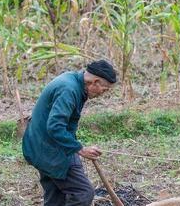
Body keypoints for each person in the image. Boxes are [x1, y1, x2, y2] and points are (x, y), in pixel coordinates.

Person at [22, 60, 117, 206]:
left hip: (40, 145)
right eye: (104, 89)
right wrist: (80, 149)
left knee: (55, 198)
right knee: (83, 193)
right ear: (95, 82)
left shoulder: (73, 81)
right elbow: (55, 126)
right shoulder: (69, 89)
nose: (102, 94)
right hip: (49, 150)